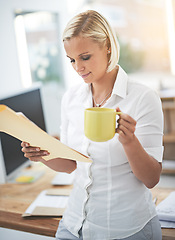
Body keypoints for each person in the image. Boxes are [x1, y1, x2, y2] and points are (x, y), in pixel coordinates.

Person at [21, 10, 163, 240]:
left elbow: (151, 179)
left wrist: (130, 141)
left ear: (107, 46)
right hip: (74, 224)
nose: (78, 67)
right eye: (72, 60)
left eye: (85, 57)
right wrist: (43, 154)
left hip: (125, 228)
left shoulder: (143, 98)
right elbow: (71, 165)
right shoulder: (71, 99)